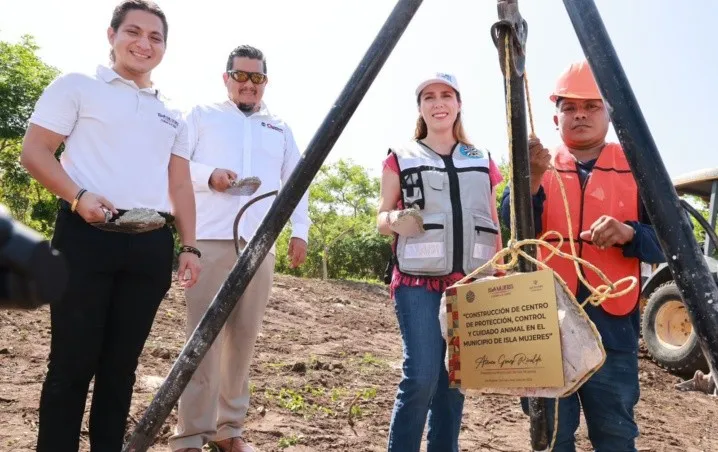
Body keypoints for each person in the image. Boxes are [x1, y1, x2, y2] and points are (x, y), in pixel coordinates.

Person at [20, 1, 201, 451]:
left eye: (155, 37)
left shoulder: (172, 112)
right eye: (133, 32)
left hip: (149, 245)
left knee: (121, 369)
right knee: (71, 364)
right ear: (112, 35)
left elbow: (179, 183)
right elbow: (35, 151)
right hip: (86, 239)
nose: (144, 43)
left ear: (164, 47)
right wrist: (78, 197)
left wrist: (190, 246)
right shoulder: (77, 87)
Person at [499, 60, 665, 451]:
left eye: (591, 107)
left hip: (613, 328)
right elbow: (513, 227)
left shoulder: (639, 168)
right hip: (543, 321)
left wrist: (630, 233)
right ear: (556, 118)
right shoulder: (536, 163)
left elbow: (670, 244)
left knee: (616, 434)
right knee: (552, 436)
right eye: (570, 107)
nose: (580, 115)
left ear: (608, 113)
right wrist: (532, 178)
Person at [169, 45, 310, 452]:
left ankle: (229, 430)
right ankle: (191, 436)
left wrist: (299, 230)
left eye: (257, 78)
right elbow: (175, 166)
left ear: (265, 82)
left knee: (243, 338)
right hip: (209, 237)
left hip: (259, 243)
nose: (249, 84)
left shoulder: (279, 128)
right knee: (202, 338)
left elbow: (296, 181)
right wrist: (208, 175)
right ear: (226, 77)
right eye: (241, 75)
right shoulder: (201, 116)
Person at [377, 72, 504, 452]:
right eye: (429, 97)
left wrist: (498, 272)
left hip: (469, 284)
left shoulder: (482, 159)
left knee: (454, 381)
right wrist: (395, 221)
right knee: (421, 375)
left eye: (446, 95)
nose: (438, 103)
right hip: (417, 282)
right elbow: (382, 217)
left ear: (459, 103)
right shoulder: (400, 157)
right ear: (420, 107)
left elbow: (493, 221)